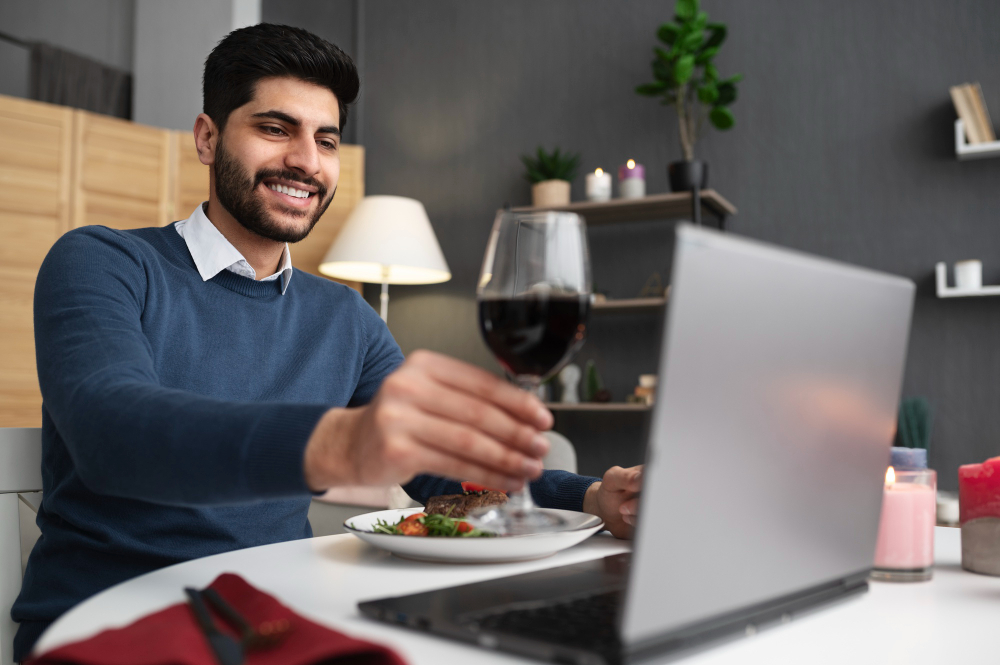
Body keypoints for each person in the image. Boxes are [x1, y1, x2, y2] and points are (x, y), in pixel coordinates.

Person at [11, 23, 642, 660]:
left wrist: (587, 496)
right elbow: (111, 432)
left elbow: (433, 463)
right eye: (274, 128)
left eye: (327, 139)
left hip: (270, 623)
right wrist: (337, 443)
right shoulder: (102, 262)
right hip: (105, 629)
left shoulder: (345, 315)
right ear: (207, 138)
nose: (307, 161)